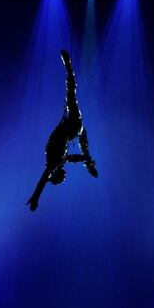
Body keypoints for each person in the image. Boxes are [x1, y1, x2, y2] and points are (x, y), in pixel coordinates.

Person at [26, 49, 98, 212]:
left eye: (63, 178)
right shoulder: (60, 161)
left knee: (71, 94)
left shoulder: (52, 164)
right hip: (73, 129)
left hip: (70, 126)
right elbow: (71, 158)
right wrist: (84, 160)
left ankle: (68, 66)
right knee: (83, 141)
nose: (65, 177)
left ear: (58, 176)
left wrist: (35, 198)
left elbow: (42, 180)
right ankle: (89, 164)